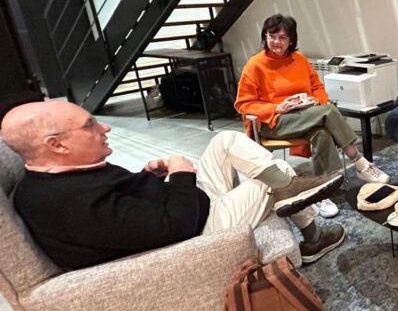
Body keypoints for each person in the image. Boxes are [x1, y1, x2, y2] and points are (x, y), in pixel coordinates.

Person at [2, 100, 349, 270]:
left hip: (187, 206)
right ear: (57, 145)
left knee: (226, 140)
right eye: (91, 125)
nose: (104, 128)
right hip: (195, 231)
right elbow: (174, 229)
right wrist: (181, 174)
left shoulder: (62, 175)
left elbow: (123, 207)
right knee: (269, 181)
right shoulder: (68, 205)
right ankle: (311, 233)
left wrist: (146, 177)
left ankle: (294, 192)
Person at [235, 14, 389, 218]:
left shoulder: (299, 60)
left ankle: (322, 191)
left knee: (322, 133)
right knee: (328, 111)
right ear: (265, 37)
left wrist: (315, 100)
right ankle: (359, 161)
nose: (276, 42)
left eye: (282, 37)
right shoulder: (255, 65)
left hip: (304, 116)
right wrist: (277, 107)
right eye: (272, 36)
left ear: (291, 40)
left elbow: (317, 86)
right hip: (273, 121)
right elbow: (243, 104)